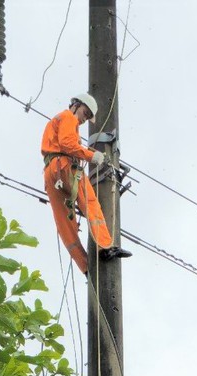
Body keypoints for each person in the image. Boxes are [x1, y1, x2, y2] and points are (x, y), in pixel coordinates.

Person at [39, 91, 131, 273]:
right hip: (65, 166)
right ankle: (105, 247)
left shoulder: (56, 120)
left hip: (51, 173)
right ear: (76, 105)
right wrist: (93, 156)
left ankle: (85, 267)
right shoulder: (68, 117)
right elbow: (67, 144)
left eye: (88, 117)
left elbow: (63, 143)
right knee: (90, 203)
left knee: (64, 224)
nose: (84, 119)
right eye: (85, 114)